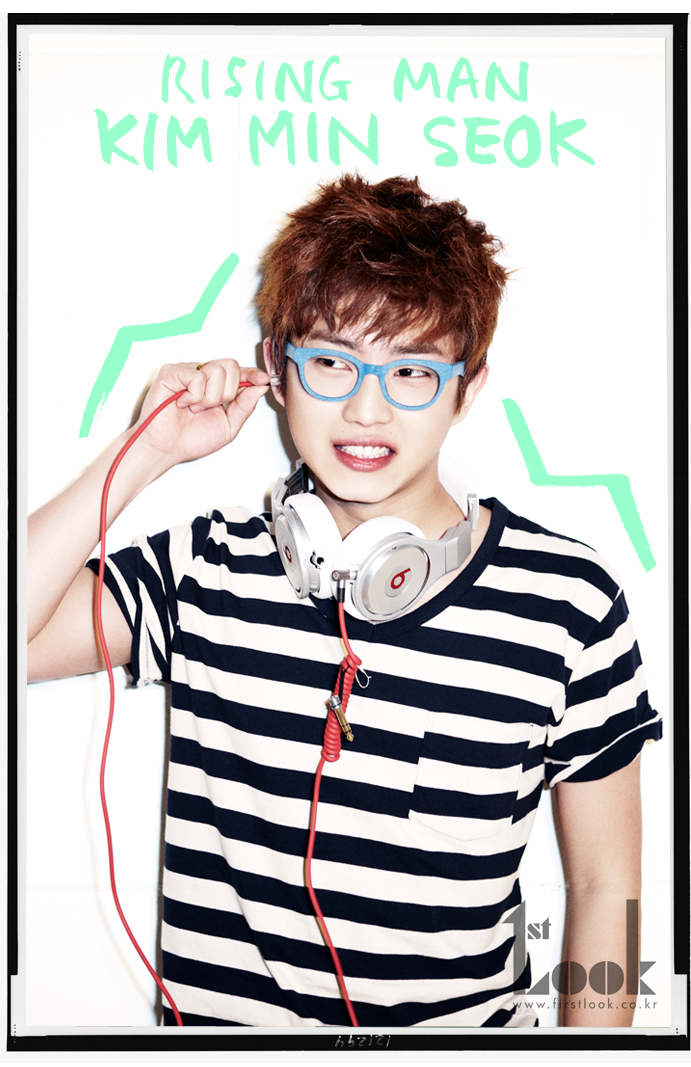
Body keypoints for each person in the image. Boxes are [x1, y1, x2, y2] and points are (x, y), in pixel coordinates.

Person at [27, 174, 661, 1028]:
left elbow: (604, 883)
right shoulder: (206, 569)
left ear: (467, 388)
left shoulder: (568, 601)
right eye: (331, 362)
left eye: (411, 370)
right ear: (276, 373)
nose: (367, 409)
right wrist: (145, 452)